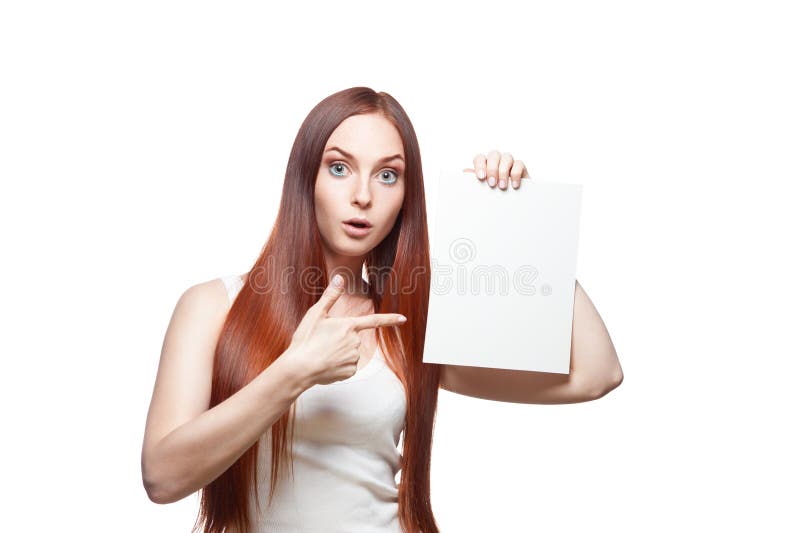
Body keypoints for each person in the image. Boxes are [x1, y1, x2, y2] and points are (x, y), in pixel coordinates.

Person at [140, 86, 623, 533]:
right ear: (304, 176)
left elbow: (595, 373)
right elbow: (162, 479)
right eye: (339, 167)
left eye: (387, 175)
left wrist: (526, 228)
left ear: (404, 197)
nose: (363, 196)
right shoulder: (213, 306)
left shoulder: (405, 327)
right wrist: (295, 372)